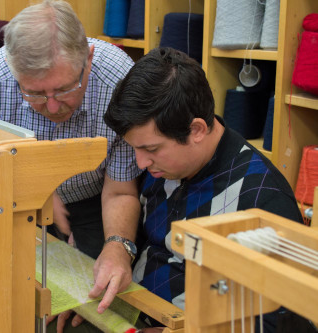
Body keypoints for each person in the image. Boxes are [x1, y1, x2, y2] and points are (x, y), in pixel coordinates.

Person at [104, 47, 310, 332]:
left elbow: (285, 322)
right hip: (128, 313)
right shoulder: (163, 164)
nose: (140, 162)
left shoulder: (263, 199)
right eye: (134, 148)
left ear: (197, 130)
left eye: (150, 148)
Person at [0, 0, 143, 328]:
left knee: (98, 309)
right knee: (18, 306)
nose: (51, 106)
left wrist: (119, 245)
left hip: (98, 201)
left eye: (64, 89)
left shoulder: (120, 81)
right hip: (16, 202)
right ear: (12, 69)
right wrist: (36, 190)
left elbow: (120, 191)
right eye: (34, 93)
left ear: (88, 60)